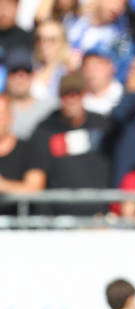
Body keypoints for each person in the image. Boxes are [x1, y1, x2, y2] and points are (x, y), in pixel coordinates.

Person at [29, 70, 112, 214]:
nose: (71, 99)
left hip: (98, 218)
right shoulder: (45, 130)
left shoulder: (102, 126)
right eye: (66, 94)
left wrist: (106, 211)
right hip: (58, 221)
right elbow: (38, 176)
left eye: (76, 93)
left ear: (84, 95)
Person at [0, 93, 46, 215]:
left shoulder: (29, 149)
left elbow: (35, 189)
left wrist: (3, 185)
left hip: (20, 229)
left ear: (10, 117)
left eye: (0, 115)